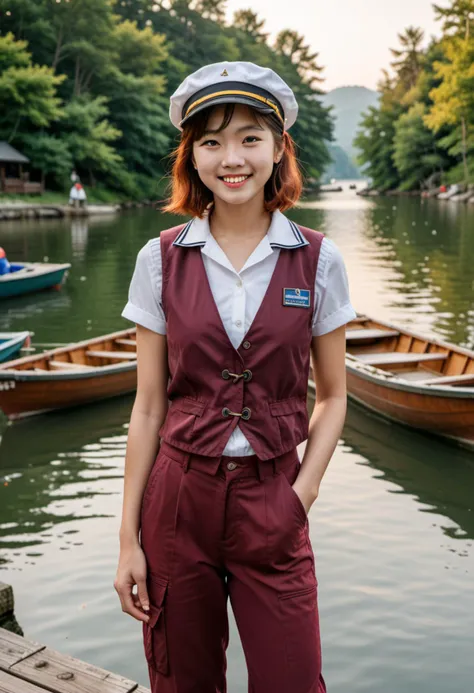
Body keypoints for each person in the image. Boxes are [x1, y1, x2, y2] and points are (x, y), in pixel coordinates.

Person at [116, 61, 357, 693]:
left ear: (279, 149)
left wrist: (298, 499)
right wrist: (126, 543)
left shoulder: (319, 259)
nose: (233, 158)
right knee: (182, 681)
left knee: (293, 681)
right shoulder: (160, 259)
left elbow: (333, 397)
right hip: (176, 502)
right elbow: (146, 409)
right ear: (191, 156)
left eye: (250, 137)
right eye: (212, 141)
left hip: (273, 498)